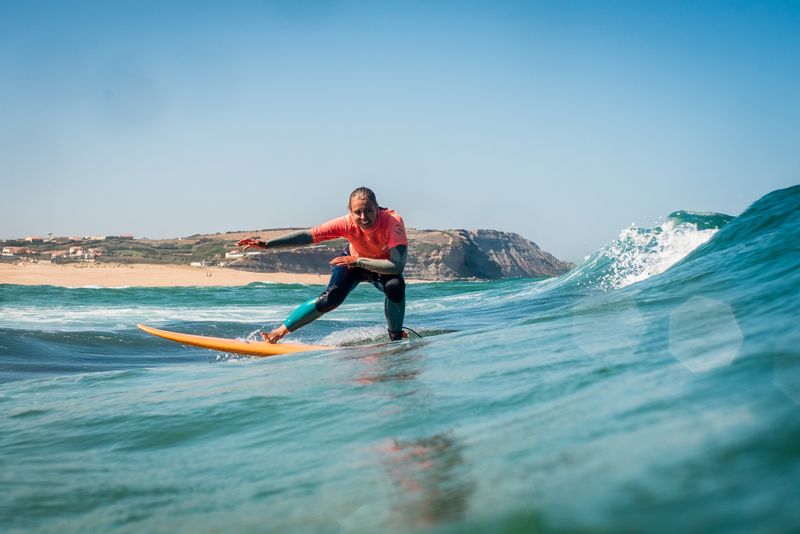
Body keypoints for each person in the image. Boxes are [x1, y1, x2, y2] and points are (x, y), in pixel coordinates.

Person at [237, 187, 408, 343]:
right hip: (352, 262)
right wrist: (268, 245)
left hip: (379, 265)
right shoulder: (345, 223)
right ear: (351, 212)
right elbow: (307, 236)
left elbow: (396, 266)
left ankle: (395, 337)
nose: (363, 217)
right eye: (358, 212)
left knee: (395, 287)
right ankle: (279, 332)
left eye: (369, 211)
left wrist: (358, 261)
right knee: (330, 299)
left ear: (377, 207)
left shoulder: (392, 222)